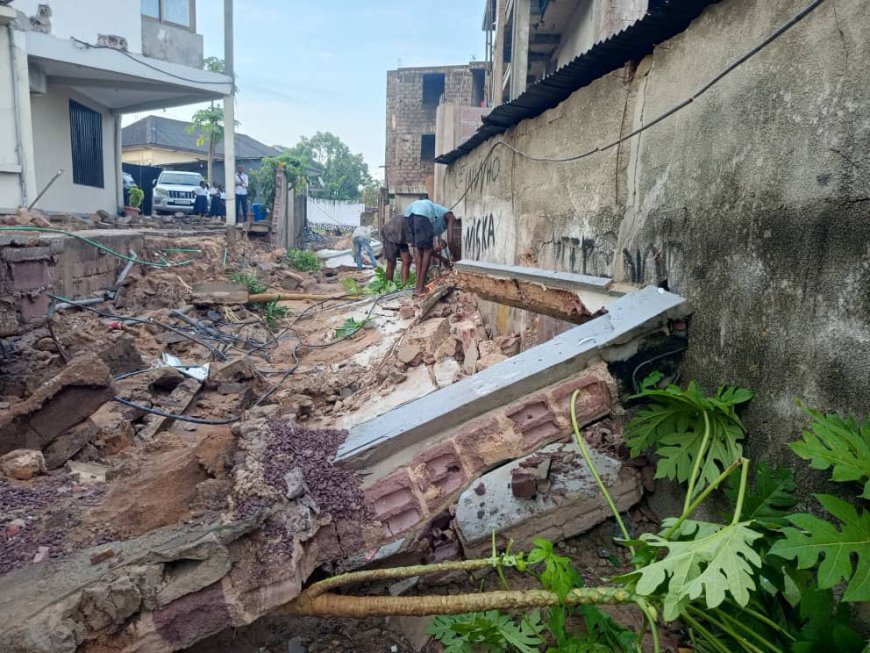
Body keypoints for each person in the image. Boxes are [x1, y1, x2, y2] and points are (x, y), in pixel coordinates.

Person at [403, 199, 459, 296]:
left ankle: (418, 287)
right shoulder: (450, 216)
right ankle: (420, 288)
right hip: (422, 212)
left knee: (418, 250)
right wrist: (455, 257)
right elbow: (450, 240)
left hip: (409, 215)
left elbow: (429, 249)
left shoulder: (433, 223)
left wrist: (443, 259)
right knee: (427, 250)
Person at [381, 214, 412, 285]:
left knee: (406, 260)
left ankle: (404, 285)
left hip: (400, 233)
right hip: (393, 232)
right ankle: (390, 285)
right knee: (392, 262)